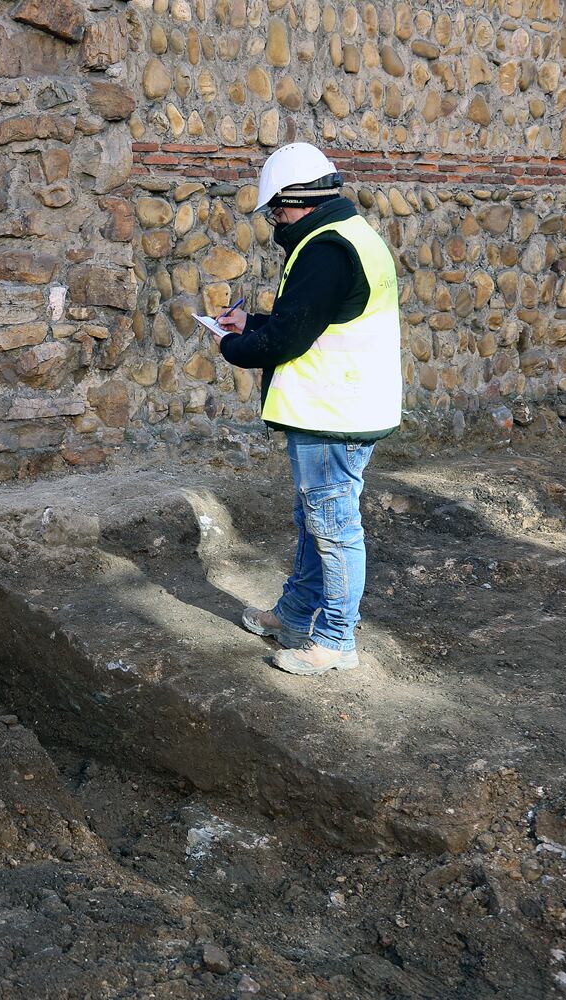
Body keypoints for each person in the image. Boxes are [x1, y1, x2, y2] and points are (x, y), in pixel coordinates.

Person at [211, 142, 402, 676]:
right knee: (315, 519)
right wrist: (250, 325)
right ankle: (295, 615)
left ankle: (337, 640)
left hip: (333, 413)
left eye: (276, 209)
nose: (275, 220)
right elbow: (315, 318)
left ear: (298, 199)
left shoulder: (326, 249)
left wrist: (234, 347)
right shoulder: (350, 236)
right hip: (340, 408)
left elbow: (290, 338)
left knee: (334, 526)